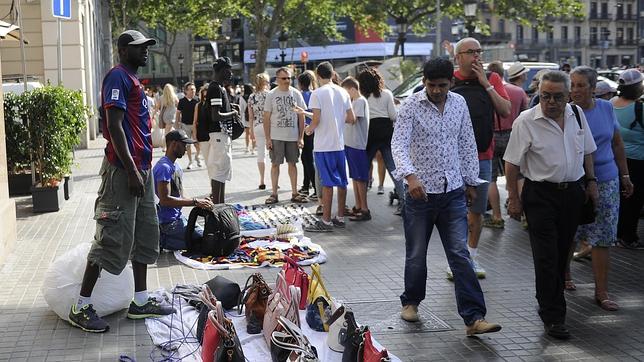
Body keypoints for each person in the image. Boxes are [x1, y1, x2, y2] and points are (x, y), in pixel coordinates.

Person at [68, 30, 175, 333]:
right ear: (124, 49)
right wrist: (129, 170)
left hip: (141, 170)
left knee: (144, 235)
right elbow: (114, 126)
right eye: (140, 48)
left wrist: (140, 171)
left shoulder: (133, 80)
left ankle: (140, 301)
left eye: (147, 48)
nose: (145, 52)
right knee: (110, 237)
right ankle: (82, 306)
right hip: (122, 172)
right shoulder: (117, 76)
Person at [391, 58, 501, 336]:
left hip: (452, 192)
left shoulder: (458, 104)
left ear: (450, 82)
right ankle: (411, 302)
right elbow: (399, 145)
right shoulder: (411, 106)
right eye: (431, 85)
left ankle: (473, 318)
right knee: (416, 254)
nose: (437, 90)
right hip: (420, 194)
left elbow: (466, 143)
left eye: (442, 85)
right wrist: (410, 176)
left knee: (460, 254)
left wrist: (470, 180)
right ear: (424, 82)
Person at [504, 70, 598, 340]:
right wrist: (514, 197)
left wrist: (591, 182)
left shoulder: (577, 115)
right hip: (540, 195)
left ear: (568, 96)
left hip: (572, 194)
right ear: (539, 95)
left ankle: (548, 300)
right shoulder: (526, 121)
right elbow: (511, 163)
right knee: (546, 256)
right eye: (545, 96)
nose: (551, 102)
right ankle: (554, 316)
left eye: (557, 97)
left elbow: (587, 152)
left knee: (560, 254)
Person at [564, 66, 633, 310]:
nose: (574, 90)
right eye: (572, 85)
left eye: (581, 85)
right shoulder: (566, 111)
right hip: (574, 181)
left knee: (603, 238)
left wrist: (625, 175)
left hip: (607, 180)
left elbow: (616, 143)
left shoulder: (606, 108)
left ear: (593, 89)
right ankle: (565, 276)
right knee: (570, 233)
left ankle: (601, 292)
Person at [450, 38, 511, 279]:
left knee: (476, 210)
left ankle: (471, 257)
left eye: (478, 51)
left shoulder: (492, 79)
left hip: (483, 155)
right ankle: (456, 258)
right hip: (452, 158)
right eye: (470, 52)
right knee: (454, 211)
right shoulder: (450, 79)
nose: (476, 56)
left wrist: (486, 83)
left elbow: (506, 110)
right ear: (458, 57)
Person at [304, 62, 355, 232]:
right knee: (341, 182)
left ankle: (326, 221)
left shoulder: (317, 93)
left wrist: (309, 129)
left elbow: (317, 119)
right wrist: (335, 119)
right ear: (333, 74)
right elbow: (351, 118)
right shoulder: (343, 92)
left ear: (318, 76)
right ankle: (340, 217)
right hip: (339, 144)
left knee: (327, 183)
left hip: (323, 145)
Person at [484, 61, 529, 229]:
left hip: (491, 136)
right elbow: (525, 114)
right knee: (519, 175)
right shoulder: (518, 91)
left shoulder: (487, 91)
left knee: (491, 178)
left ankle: (497, 216)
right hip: (512, 134)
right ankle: (526, 216)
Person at [154, 130, 214, 250]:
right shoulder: (164, 167)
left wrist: (201, 201)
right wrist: (195, 202)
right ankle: (161, 239)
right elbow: (165, 200)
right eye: (184, 145)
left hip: (178, 218)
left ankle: (168, 240)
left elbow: (181, 195)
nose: (186, 149)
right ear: (174, 144)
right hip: (167, 223)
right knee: (206, 244)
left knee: (209, 237)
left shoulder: (176, 166)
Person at [357, 67, 405, 215]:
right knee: (394, 169)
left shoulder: (361, 97)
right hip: (386, 132)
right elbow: (394, 116)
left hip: (369, 133)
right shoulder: (386, 94)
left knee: (363, 171)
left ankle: (362, 206)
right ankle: (404, 203)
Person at [262, 67, 308, 204]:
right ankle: (274, 194)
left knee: (292, 164)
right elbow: (266, 117)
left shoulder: (296, 94)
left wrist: (301, 137)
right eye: (284, 78)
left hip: (292, 136)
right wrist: (268, 138)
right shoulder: (271, 95)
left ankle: (294, 193)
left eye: (289, 78)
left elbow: (302, 117)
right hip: (276, 136)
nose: (287, 80)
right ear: (277, 80)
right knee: (275, 164)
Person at [611, 69, 644, 249]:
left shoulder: (610, 104)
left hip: (614, 159)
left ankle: (616, 233)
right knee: (634, 199)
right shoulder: (640, 108)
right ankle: (629, 236)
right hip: (637, 161)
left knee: (619, 198)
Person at [204, 57, 238, 204]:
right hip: (219, 134)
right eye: (228, 69)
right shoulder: (215, 88)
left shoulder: (219, 88)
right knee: (219, 170)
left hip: (221, 134)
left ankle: (220, 204)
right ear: (221, 70)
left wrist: (230, 108)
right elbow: (215, 115)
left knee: (222, 171)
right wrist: (233, 114)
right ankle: (218, 206)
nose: (231, 73)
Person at [341, 76, 371, 221]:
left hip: (357, 144)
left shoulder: (359, 101)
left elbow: (352, 120)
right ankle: (359, 205)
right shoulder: (354, 101)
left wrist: (337, 116)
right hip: (350, 143)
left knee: (360, 178)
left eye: (347, 93)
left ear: (352, 89)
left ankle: (364, 208)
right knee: (355, 177)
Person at [297, 71, 318, 199]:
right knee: (307, 158)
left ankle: (315, 187)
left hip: (305, 129)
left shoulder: (300, 96)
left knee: (307, 159)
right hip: (314, 129)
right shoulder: (314, 94)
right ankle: (306, 185)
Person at [248, 73, 271, 190]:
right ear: (265, 83)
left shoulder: (252, 97)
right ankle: (274, 180)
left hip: (257, 126)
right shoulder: (270, 95)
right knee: (273, 154)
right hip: (270, 126)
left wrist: (251, 131)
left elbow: (250, 117)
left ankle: (262, 180)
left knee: (261, 154)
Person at [175, 82, 200, 169]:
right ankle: (190, 162)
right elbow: (178, 114)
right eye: (191, 89)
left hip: (196, 126)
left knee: (198, 143)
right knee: (188, 145)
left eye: (194, 89)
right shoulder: (181, 101)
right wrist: (176, 126)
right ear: (186, 91)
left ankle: (197, 156)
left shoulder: (197, 100)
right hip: (185, 125)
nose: (193, 91)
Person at [193, 84, 210, 165]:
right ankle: (212, 177)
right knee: (207, 158)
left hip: (214, 135)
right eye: (204, 96)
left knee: (214, 159)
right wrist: (195, 136)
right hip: (203, 135)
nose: (206, 98)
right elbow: (195, 121)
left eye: (208, 96)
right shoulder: (198, 105)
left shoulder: (214, 105)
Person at [241, 83, 254, 154]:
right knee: (253, 133)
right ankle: (253, 149)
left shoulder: (242, 98)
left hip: (245, 118)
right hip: (253, 117)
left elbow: (241, 109)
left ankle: (247, 147)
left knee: (247, 134)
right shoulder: (253, 96)